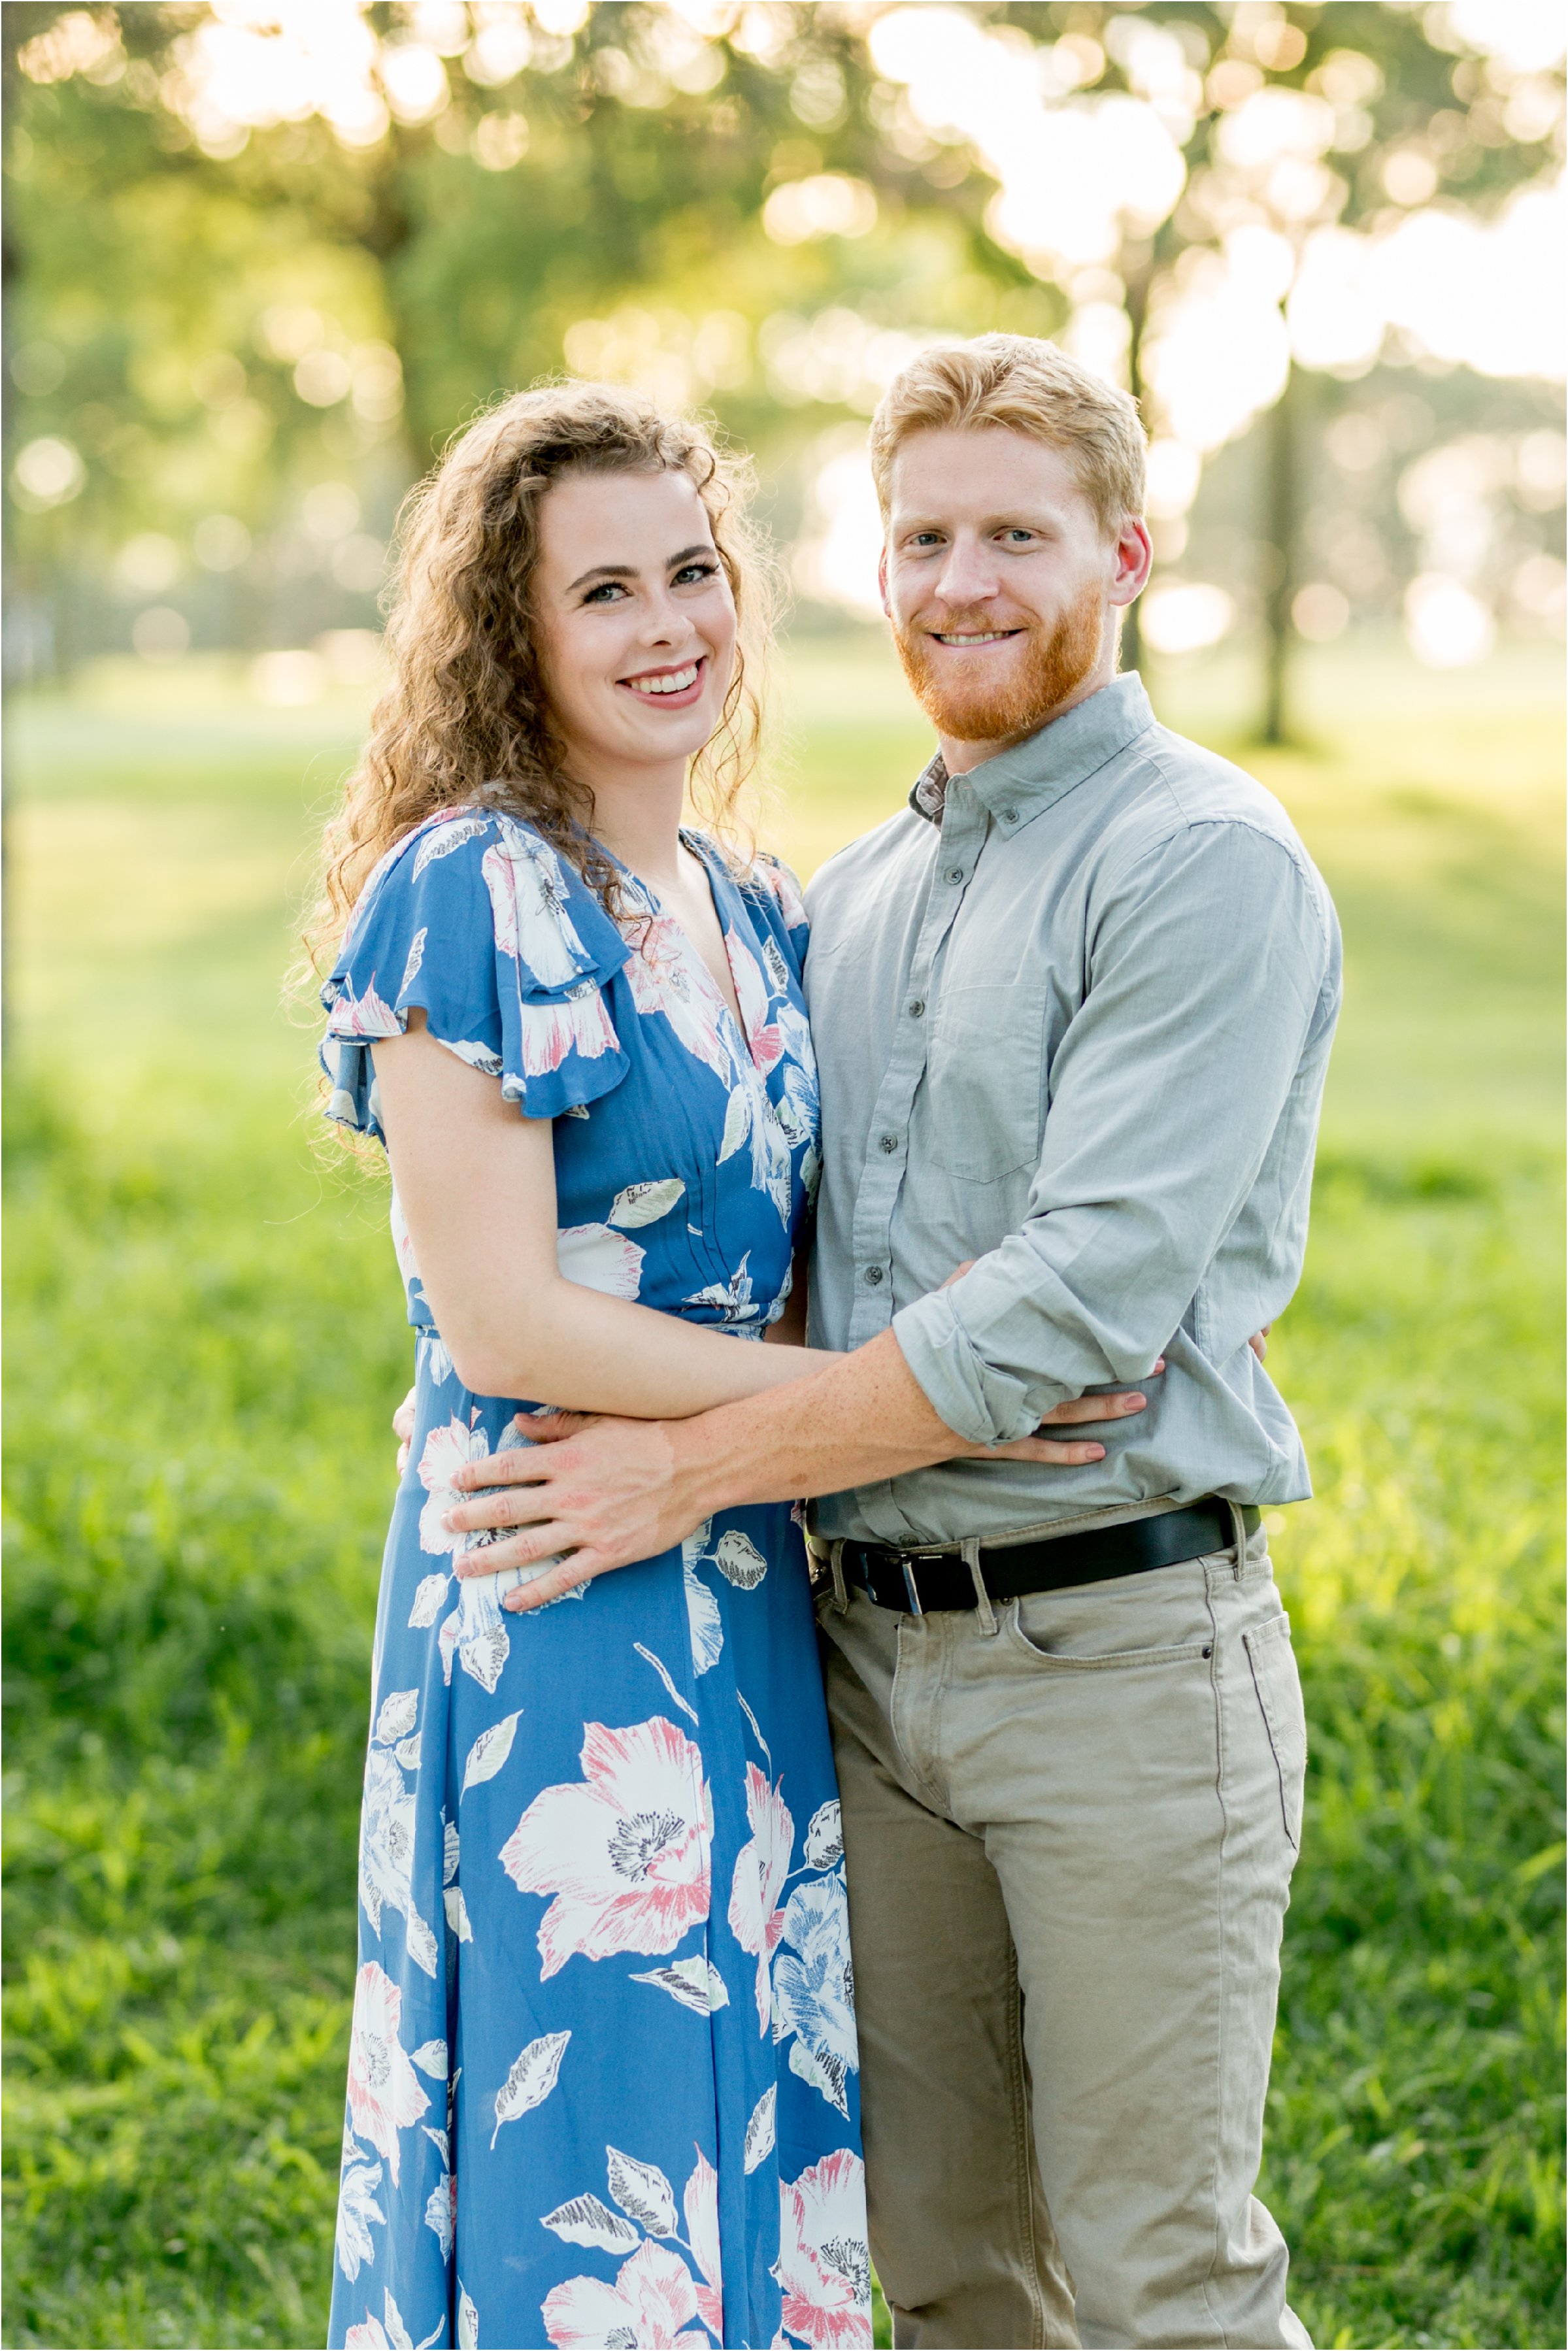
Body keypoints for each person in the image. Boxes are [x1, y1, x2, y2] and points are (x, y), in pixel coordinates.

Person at [442, 337, 1343, 2351]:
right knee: (937, 2271)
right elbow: (797, 1281)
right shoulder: (838, 901)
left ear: (1122, 549)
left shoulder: (1201, 861)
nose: (962, 582)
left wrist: (682, 1467)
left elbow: (1081, 1301)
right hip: (858, 1664)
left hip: (1117, 1663)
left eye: (1014, 534)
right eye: (921, 535)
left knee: (1162, 2270)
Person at [315, 378, 1148, 2351]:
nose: (669, 623)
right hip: (559, 1594)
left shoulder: (754, 906)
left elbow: (834, 1258)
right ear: (513, 637)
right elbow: (504, 1316)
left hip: (755, 1592)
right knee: (592, 2132)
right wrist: (912, 1386)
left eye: (696, 571)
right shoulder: (473, 887)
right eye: (605, 591)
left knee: (746, 2134)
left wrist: (1080, 1316)